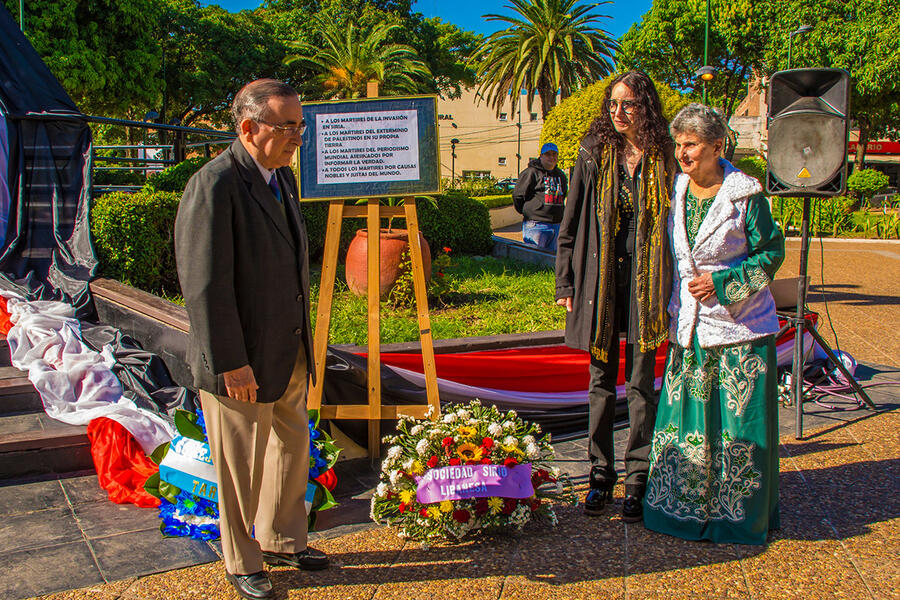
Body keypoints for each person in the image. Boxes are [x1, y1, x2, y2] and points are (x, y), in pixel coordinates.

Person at [175, 79, 327, 600]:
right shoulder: (214, 184)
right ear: (248, 127)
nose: (297, 137)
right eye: (287, 126)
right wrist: (230, 362)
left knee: (291, 449)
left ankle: (285, 538)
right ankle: (242, 560)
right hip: (241, 361)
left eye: (299, 125)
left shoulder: (280, 179)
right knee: (239, 465)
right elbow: (204, 285)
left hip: (287, 352)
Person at [642, 103, 784, 545]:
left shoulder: (746, 194)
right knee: (689, 423)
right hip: (689, 326)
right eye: (679, 145)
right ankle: (682, 510)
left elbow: (771, 253)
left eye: (692, 145)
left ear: (717, 146)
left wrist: (724, 283)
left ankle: (736, 517)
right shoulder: (678, 189)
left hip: (739, 329)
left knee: (737, 426)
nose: (683, 154)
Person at [555, 71, 676, 522]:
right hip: (599, 284)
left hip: (650, 283)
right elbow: (569, 224)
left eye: (628, 104)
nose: (618, 112)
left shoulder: (665, 155)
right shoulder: (593, 152)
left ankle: (638, 478)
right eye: (612, 104)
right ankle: (600, 475)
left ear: (645, 106)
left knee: (643, 385)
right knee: (600, 383)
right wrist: (565, 283)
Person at [513, 142, 568, 250]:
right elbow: (518, 195)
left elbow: (563, 194)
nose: (551, 157)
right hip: (536, 225)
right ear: (541, 156)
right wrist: (528, 212)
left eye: (554, 154)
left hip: (556, 225)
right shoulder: (531, 172)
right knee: (535, 260)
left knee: (552, 262)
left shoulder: (560, 175)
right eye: (548, 154)